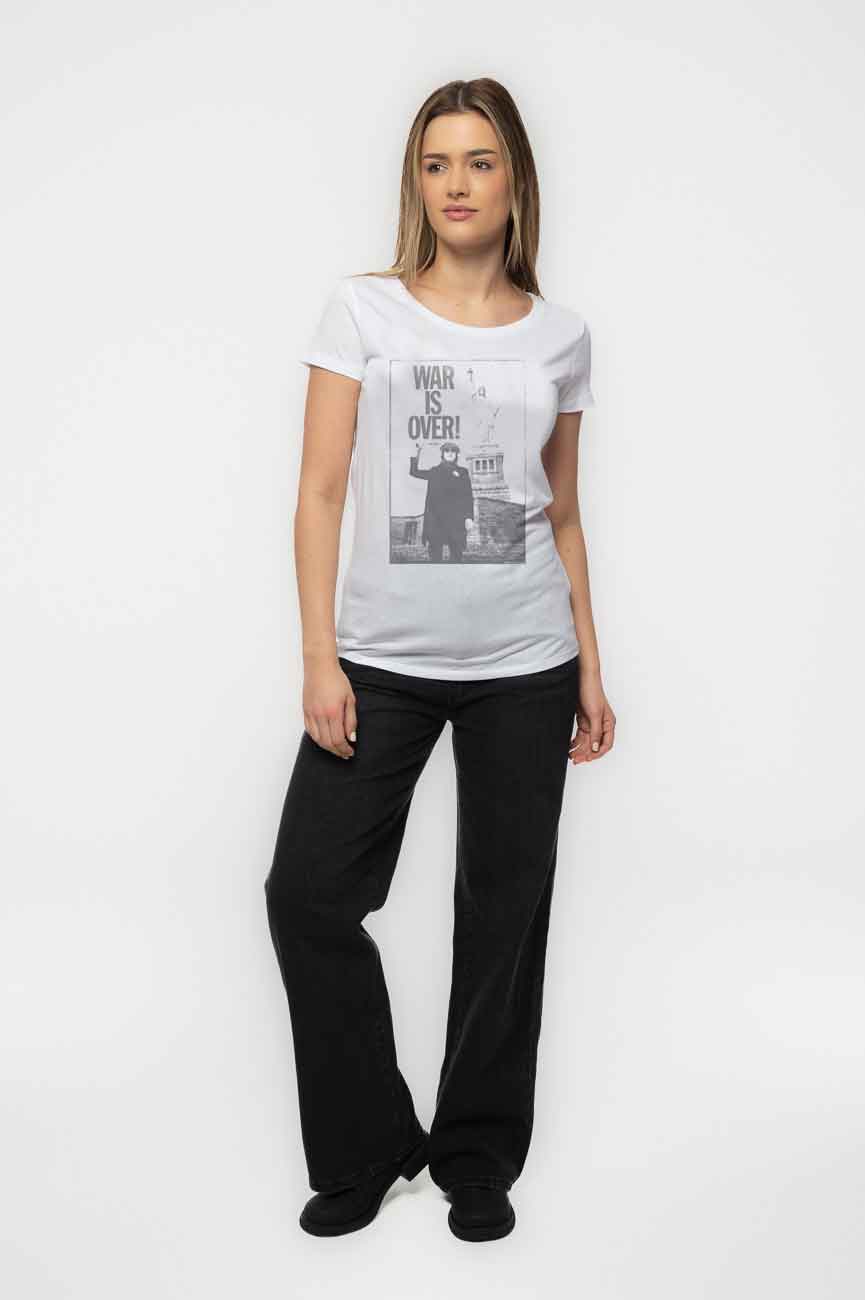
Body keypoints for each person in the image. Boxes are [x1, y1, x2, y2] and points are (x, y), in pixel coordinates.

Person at [264, 76, 616, 1243]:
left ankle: (475, 1156)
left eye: (478, 161)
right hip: (379, 662)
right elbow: (319, 495)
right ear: (415, 182)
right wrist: (320, 658)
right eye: (434, 163)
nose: (455, 185)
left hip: (524, 659)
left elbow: (563, 515)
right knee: (308, 894)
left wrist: (588, 665)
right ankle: (370, 1145)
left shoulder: (560, 336)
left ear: (515, 179)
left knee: (505, 910)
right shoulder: (363, 312)